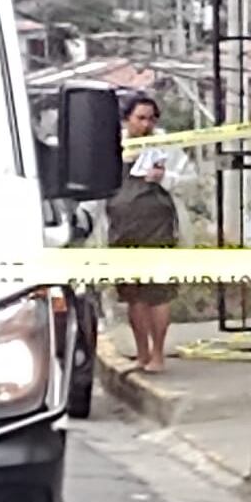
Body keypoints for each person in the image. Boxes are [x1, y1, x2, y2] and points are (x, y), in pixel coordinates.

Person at [106, 96, 181, 374]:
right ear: (128, 120)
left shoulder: (165, 147)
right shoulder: (113, 147)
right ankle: (142, 353)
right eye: (140, 118)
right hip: (122, 230)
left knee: (157, 294)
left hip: (157, 230)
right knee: (133, 295)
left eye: (151, 118)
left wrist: (165, 178)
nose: (146, 124)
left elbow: (189, 180)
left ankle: (158, 354)